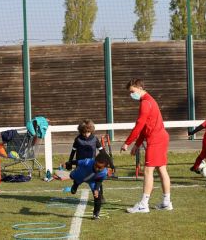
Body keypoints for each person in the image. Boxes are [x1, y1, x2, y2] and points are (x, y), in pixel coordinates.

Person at [120, 78, 172, 213]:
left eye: (132, 91)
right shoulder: (149, 101)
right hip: (161, 137)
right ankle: (166, 202)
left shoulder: (146, 103)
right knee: (162, 170)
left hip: (156, 140)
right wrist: (137, 144)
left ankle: (143, 204)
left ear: (140, 88)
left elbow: (139, 125)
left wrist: (127, 142)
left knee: (148, 171)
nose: (131, 95)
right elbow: (145, 127)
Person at [65, 152, 110, 219]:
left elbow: (99, 180)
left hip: (92, 180)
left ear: (105, 167)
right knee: (71, 176)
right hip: (80, 174)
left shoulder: (104, 173)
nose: (97, 168)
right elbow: (77, 162)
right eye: (96, 165)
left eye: (100, 167)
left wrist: (96, 189)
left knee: (98, 196)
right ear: (94, 161)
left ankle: (96, 214)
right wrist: (67, 163)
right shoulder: (88, 162)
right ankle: (76, 183)